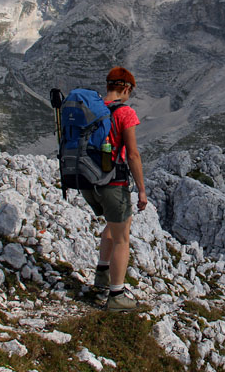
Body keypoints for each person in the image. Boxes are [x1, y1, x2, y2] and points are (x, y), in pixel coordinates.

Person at [79, 66, 147, 312]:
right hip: (113, 183)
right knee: (122, 237)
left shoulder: (91, 109)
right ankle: (117, 295)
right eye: (130, 91)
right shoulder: (124, 112)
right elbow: (133, 154)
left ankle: (101, 278)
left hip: (87, 183)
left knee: (112, 224)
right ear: (126, 88)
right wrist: (141, 190)